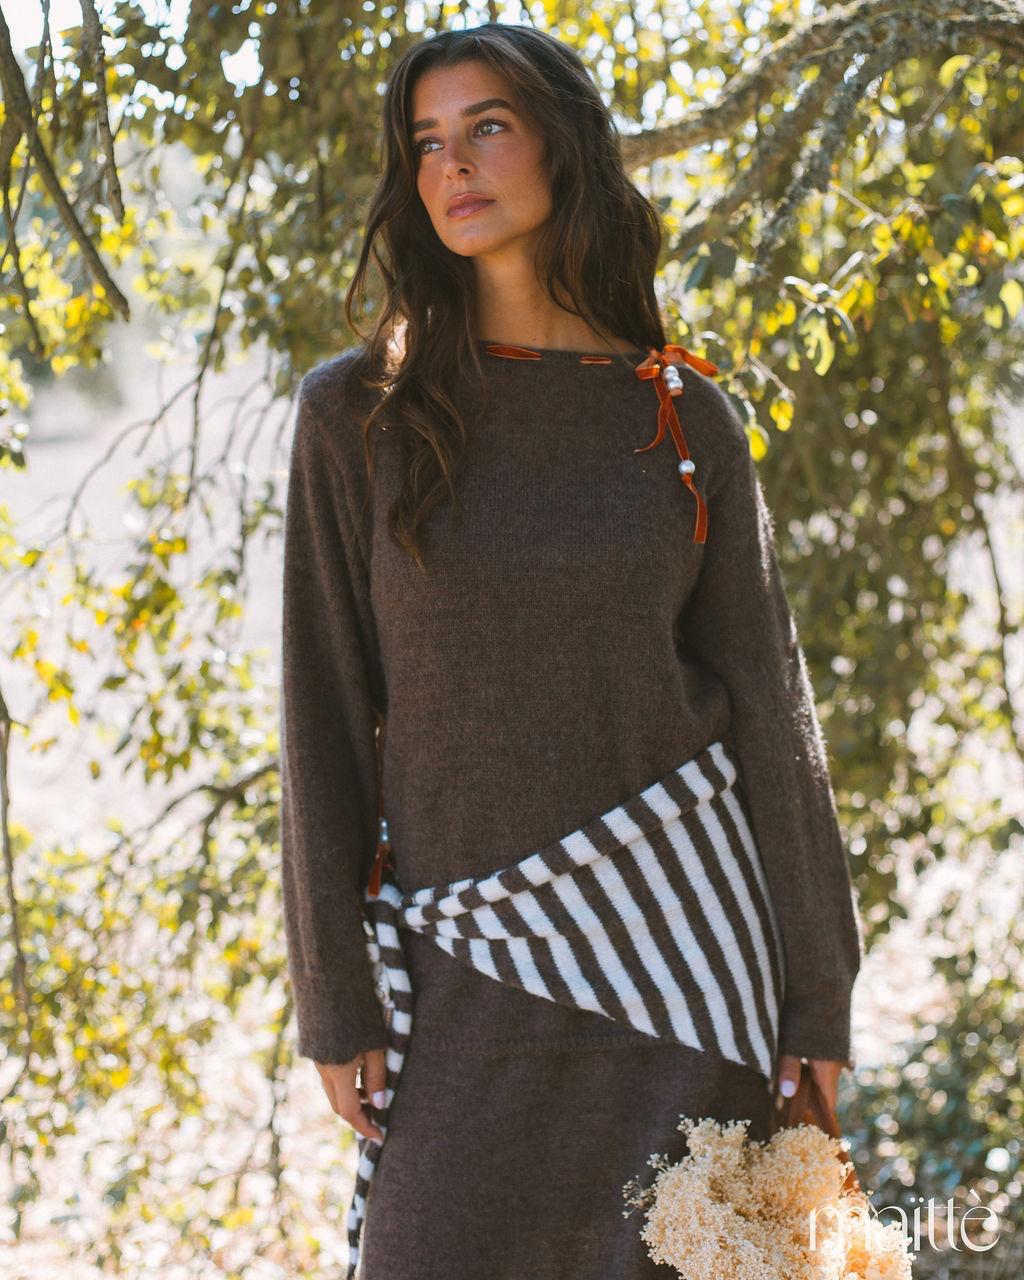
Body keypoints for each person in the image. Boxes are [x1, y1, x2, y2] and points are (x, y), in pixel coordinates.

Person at [279, 21, 864, 1280]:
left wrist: (819, 993)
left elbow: (772, 711)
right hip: (463, 966)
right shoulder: (356, 417)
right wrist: (333, 993)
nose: (451, 165)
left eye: (486, 127)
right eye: (425, 142)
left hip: (687, 967)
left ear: (563, 146)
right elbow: (321, 713)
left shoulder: (681, 415)